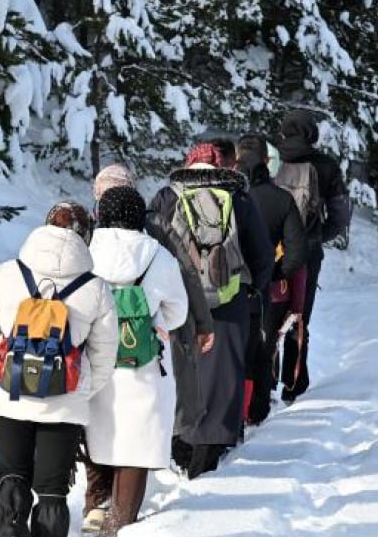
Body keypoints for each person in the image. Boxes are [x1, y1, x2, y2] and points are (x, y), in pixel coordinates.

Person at [0, 203, 118, 537]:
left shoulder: (6, 274)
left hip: (9, 397)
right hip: (63, 403)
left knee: (12, 472)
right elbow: (104, 354)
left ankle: (11, 534)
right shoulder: (95, 288)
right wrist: (80, 389)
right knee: (52, 487)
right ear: (86, 236)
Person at [148, 143, 273, 478]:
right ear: (221, 165)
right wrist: (252, 291)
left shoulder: (166, 197)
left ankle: (179, 442)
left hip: (180, 299)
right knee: (223, 373)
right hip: (230, 298)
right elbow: (261, 254)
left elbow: (152, 246)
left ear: (188, 162)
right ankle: (212, 446)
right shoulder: (239, 198)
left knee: (182, 367)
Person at [82, 186, 189, 537]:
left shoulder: (85, 252)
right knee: (136, 440)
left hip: (93, 357)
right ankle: (121, 521)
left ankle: (95, 505)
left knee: (96, 427)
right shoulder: (160, 257)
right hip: (141, 361)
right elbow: (177, 313)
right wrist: (152, 322)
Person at [93, 165, 215, 470]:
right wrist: (201, 322)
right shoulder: (156, 226)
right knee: (149, 407)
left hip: (96, 339)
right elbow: (187, 271)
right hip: (147, 335)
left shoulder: (90, 234)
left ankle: (99, 487)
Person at [275, 110, 352, 403]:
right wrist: (319, 235)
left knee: (268, 315)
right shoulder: (326, 166)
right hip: (307, 251)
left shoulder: (270, 161)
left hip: (271, 251)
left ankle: (263, 383)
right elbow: (340, 214)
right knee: (299, 315)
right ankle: (294, 382)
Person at [235, 134, 306, 425]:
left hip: (225, 284)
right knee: (262, 351)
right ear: (266, 160)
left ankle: (234, 412)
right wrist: (277, 273)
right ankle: (257, 410)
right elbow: (297, 250)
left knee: (231, 352)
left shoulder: (228, 196)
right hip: (263, 287)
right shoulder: (282, 199)